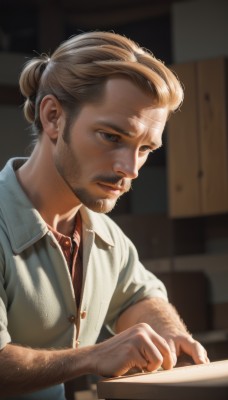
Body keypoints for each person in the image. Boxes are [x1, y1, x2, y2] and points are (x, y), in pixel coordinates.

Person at [0, 31, 209, 400]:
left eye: (145, 148)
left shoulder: (107, 237)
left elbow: (137, 298)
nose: (131, 168)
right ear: (53, 117)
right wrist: (94, 356)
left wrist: (169, 334)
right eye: (112, 137)